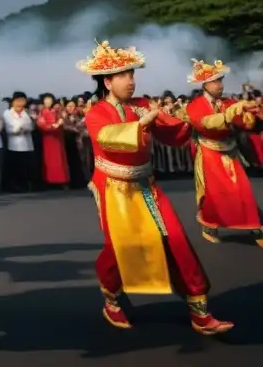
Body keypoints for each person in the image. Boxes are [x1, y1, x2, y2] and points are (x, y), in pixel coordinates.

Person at [77, 41, 232, 334]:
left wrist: (188, 121)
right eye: (123, 76)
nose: (131, 81)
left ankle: (200, 311)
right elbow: (108, 138)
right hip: (114, 187)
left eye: (132, 74)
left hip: (146, 184)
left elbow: (172, 129)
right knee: (123, 247)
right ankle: (111, 296)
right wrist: (140, 125)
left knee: (175, 239)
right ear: (107, 82)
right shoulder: (97, 112)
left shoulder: (143, 105)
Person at [183, 59, 262, 245]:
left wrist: (249, 113)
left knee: (243, 189)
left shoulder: (227, 101)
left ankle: (254, 226)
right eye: (215, 81)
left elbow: (244, 123)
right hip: (210, 151)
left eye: (221, 80)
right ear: (204, 85)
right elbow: (205, 123)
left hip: (230, 151)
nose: (220, 85)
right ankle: (210, 225)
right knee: (214, 194)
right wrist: (229, 114)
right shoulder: (195, 105)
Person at [36, 93, 69, 189]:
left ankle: (62, 181)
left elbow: (63, 121)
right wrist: (56, 125)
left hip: (58, 139)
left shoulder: (56, 111)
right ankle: (50, 181)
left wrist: (62, 121)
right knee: (50, 160)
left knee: (60, 160)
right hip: (48, 139)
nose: (48, 102)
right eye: (46, 100)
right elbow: (42, 125)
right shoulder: (42, 113)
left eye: (50, 100)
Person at [3, 91, 35, 192]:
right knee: (15, 167)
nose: (20, 103)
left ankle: (26, 185)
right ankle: (15, 186)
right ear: (13, 102)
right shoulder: (7, 113)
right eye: (17, 100)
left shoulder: (27, 113)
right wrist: (19, 128)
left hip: (27, 144)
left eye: (22, 100)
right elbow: (9, 128)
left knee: (26, 166)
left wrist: (24, 127)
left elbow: (31, 126)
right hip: (14, 144)